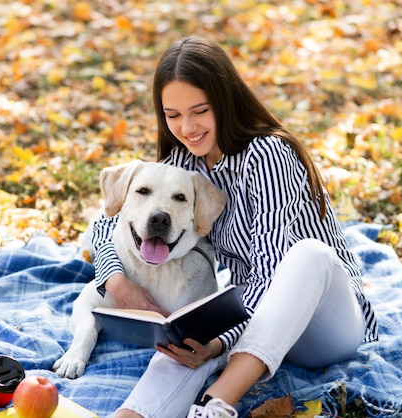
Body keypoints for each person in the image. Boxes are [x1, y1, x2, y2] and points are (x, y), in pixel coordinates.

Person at [91, 36, 378, 418]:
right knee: (187, 334)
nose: (187, 127)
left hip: (323, 327)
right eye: (173, 115)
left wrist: (221, 340)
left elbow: (272, 271)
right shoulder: (185, 165)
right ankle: (133, 415)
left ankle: (215, 405)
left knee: (310, 254)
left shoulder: (269, 154)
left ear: (224, 101)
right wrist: (115, 281)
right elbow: (104, 222)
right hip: (252, 318)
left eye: (200, 111)